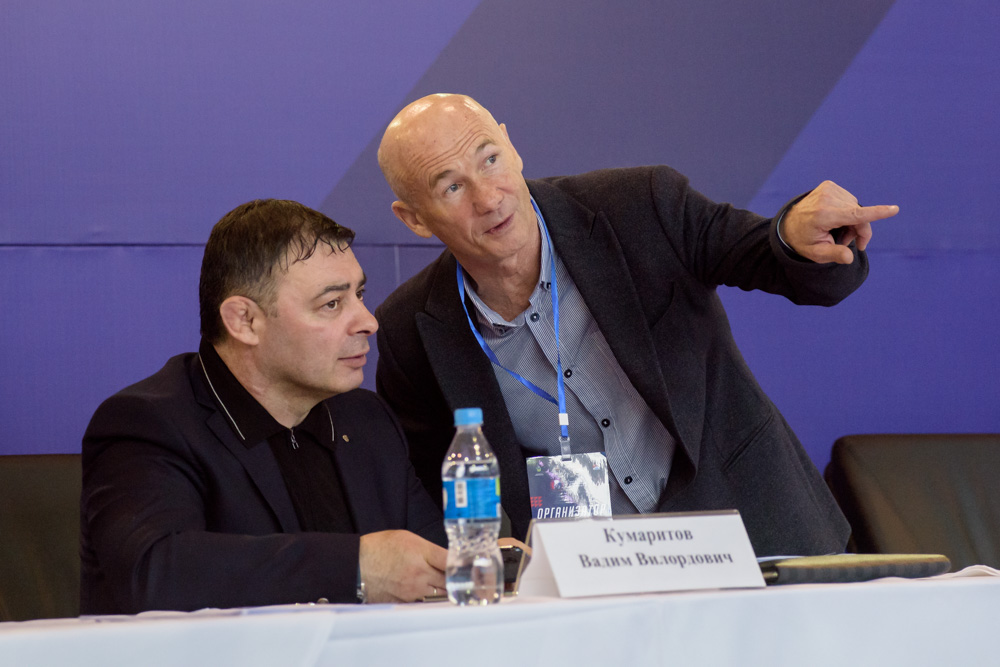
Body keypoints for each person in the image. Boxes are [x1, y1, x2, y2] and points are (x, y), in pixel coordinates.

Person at [373, 93, 900, 556]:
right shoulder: (411, 330)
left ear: (512, 147)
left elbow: (765, 254)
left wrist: (794, 238)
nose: (488, 198)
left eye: (490, 160)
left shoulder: (637, 207)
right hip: (597, 583)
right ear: (414, 218)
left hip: (758, 533)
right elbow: (432, 491)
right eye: (452, 187)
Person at [80, 199, 447, 615]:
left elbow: (435, 564)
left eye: (359, 294)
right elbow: (156, 573)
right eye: (331, 304)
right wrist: (355, 568)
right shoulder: (148, 424)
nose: (368, 321)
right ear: (245, 321)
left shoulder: (367, 420)